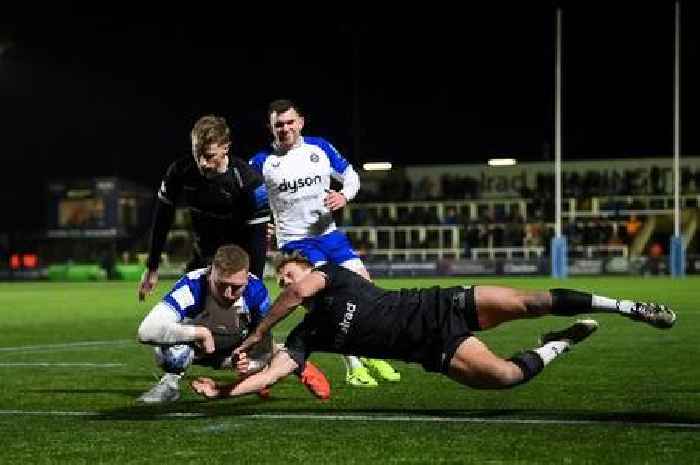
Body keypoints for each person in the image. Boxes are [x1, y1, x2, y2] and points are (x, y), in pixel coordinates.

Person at [190, 251, 676, 399]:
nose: (286, 281)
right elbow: (273, 373)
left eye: (287, 273)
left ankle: (629, 306)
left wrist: (255, 334)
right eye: (280, 278)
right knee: (504, 377)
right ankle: (559, 344)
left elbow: (295, 295)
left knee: (531, 300)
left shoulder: (328, 278)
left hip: (440, 305)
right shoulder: (306, 336)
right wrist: (226, 390)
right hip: (433, 349)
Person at [248, 99, 400, 387]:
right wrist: (259, 225)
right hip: (296, 244)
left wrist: (344, 196)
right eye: (278, 124)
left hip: (330, 235)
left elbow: (351, 175)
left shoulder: (320, 148)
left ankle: (372, 352)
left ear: (301, 122)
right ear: (270, 127)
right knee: (329, 302)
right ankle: (353, 364)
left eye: (290, 122)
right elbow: (245, 201)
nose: (285, 128)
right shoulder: (261, 162)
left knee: (367, 290)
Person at [136, 245, 329, 403]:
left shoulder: (255, 293)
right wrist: (199, 333)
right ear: (211, 273)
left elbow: (262, 347)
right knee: (171, 354)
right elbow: (146, 331)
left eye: (236, 287)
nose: (228, 294)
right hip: (196, 347)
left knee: (260, 361)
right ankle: (170, 384)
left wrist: (248, 364)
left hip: (235, 347)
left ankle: (295, 362)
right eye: (221, 285)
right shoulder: (192, 286)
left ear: (246, 278)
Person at [138, 115, 269, 301]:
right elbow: (162, 218)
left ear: (226, 148)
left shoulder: (250, 182)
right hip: (202, 260)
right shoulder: (180, 171)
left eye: (209, 156)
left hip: (236, 267)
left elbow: (258, 240)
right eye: (196, 153)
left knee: (235, 325)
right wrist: (152, 267)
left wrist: (254, 286)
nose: (202, 163)